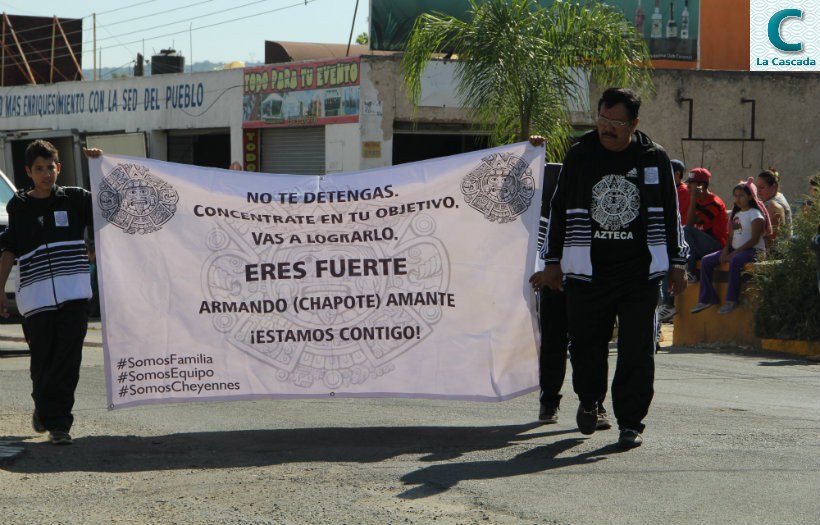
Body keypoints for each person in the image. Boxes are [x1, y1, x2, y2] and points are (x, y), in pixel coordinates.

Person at [541, 87, 688, 449]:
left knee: (637, 349)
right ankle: (591, 402)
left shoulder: (654, 158)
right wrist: (553, 261)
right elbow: (558, 210)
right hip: (587, 270)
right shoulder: (581, 155)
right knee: (587, 344)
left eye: (615, 123)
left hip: (639, 273)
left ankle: (631, 421)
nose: (607, 128)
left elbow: (671, 213)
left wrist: (677, 262)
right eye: (602, 120)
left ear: (633, 123)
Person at [0, 141, 100, 445]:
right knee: (43, 360)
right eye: (39, 169)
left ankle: (59, 424)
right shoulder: (19, 206)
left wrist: (98, 164)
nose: (46, 174)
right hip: (35, 300)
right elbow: (9, 249)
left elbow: (110, 206)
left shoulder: (76, 200)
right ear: (29, 172)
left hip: (74, 296)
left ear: (60, 168)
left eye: (51, 167)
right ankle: (43, 408)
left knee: (68, 360)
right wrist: (0, 292)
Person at [527, 149, 610, 431]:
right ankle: (549, 400)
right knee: (553, 342)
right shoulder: (547, 190)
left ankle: (594, 404)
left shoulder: (599, 193)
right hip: (552, 280)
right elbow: (507, 192)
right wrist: (530, 149)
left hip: (587, 281)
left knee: (590, 345)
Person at [690, 178, 771, 314]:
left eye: (741, 196)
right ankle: (707, 298)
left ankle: (732, 300)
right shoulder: (737, 214)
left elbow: (754, 240)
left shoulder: (756, 215)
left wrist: (734, 253)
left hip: (754, 251)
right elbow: (731, 236)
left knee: (735, 260)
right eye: (735, 196)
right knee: (706, 261)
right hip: (736, 250)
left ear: (750, 196)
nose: (738, 199)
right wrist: (726, 250)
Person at [658, 159, 690, 321]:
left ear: (677, 174)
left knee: (667, 262)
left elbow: (679, 220)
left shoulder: (682, 191)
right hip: (671, 236)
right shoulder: (672, 190)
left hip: (679, 237)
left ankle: (668, 305)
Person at [682, 167, 728, 282]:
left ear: (701, 185)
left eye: (691, 184)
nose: (687, 187)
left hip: (716, 246)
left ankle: (690, 273)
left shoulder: (715, 202)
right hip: (702, 246)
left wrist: (692, 197)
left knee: (686, 229)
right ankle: (668, 300)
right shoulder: (696, 201)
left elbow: (690, 224)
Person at [756, 169, 792, 247]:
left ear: (773, 187)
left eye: (761, 187)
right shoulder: (769, 199)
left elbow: (770, 239)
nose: (758, 191)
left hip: (774, 253)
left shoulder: (774, 206)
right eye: (757, 187)